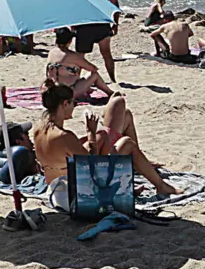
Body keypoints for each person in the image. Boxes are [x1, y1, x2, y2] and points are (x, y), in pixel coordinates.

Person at [34, 80, 180, 199]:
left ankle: (130, 180)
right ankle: (161, 186)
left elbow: (62, 153)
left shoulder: (38, 129)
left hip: (55, 191)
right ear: (65, 104)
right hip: (78, 194)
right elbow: (91, 165)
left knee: (102, 135)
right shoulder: (64, 135)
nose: (74, 106)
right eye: (74, 102)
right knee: (127, 143)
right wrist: (90, 132)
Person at [77, 0, 121, 83]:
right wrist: (73, 23)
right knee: (80, 55)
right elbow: (74, 3)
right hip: (85, 24)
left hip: (102, 23)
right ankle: (76, 79)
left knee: (106, 53)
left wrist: (115, 23)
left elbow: (115, 6)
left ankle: (113, 79)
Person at [46, 27, 113, 98]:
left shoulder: (51, 52)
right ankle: (111, 93)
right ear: (70, 41)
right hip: (68, 92)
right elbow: (93, 68)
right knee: (94, 75)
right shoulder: (72, 55)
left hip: (53, 91)